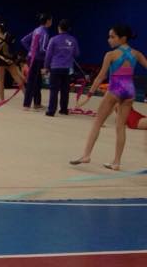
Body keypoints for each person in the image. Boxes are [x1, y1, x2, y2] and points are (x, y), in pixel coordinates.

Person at [71, 25, 147, 170]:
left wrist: (88, 95)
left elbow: (100, 77)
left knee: (97, 122)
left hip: (116, 88)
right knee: (120, 127)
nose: (109, 40)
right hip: (130, 90)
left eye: (112, 37)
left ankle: (86, 155)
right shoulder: (136, 53)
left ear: (123, 38)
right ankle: (116, 162)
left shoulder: (111, 55)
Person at [44, 20, 79, 117]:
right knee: (65, 89)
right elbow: (77, 54)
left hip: (55, 67)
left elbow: (48, 55)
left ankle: (51, 110)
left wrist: (46, 66)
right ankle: (63, 109)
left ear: (59, 28)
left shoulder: (53, 39)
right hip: (68, 68)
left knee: (54, 89)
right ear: (68, 29)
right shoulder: (73, 40)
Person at [23, 13, 52, 110]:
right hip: (37, 59)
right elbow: (43, 49)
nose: (51, 22)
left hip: (31, 58)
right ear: (48, 21)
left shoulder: (36, 30)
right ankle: (26, 104)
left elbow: (24, 40)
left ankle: (37, 103)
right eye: (51, 20)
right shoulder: (44, 32)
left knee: (37, 81)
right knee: (32, 81)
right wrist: (51, 53)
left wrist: (31, 51)